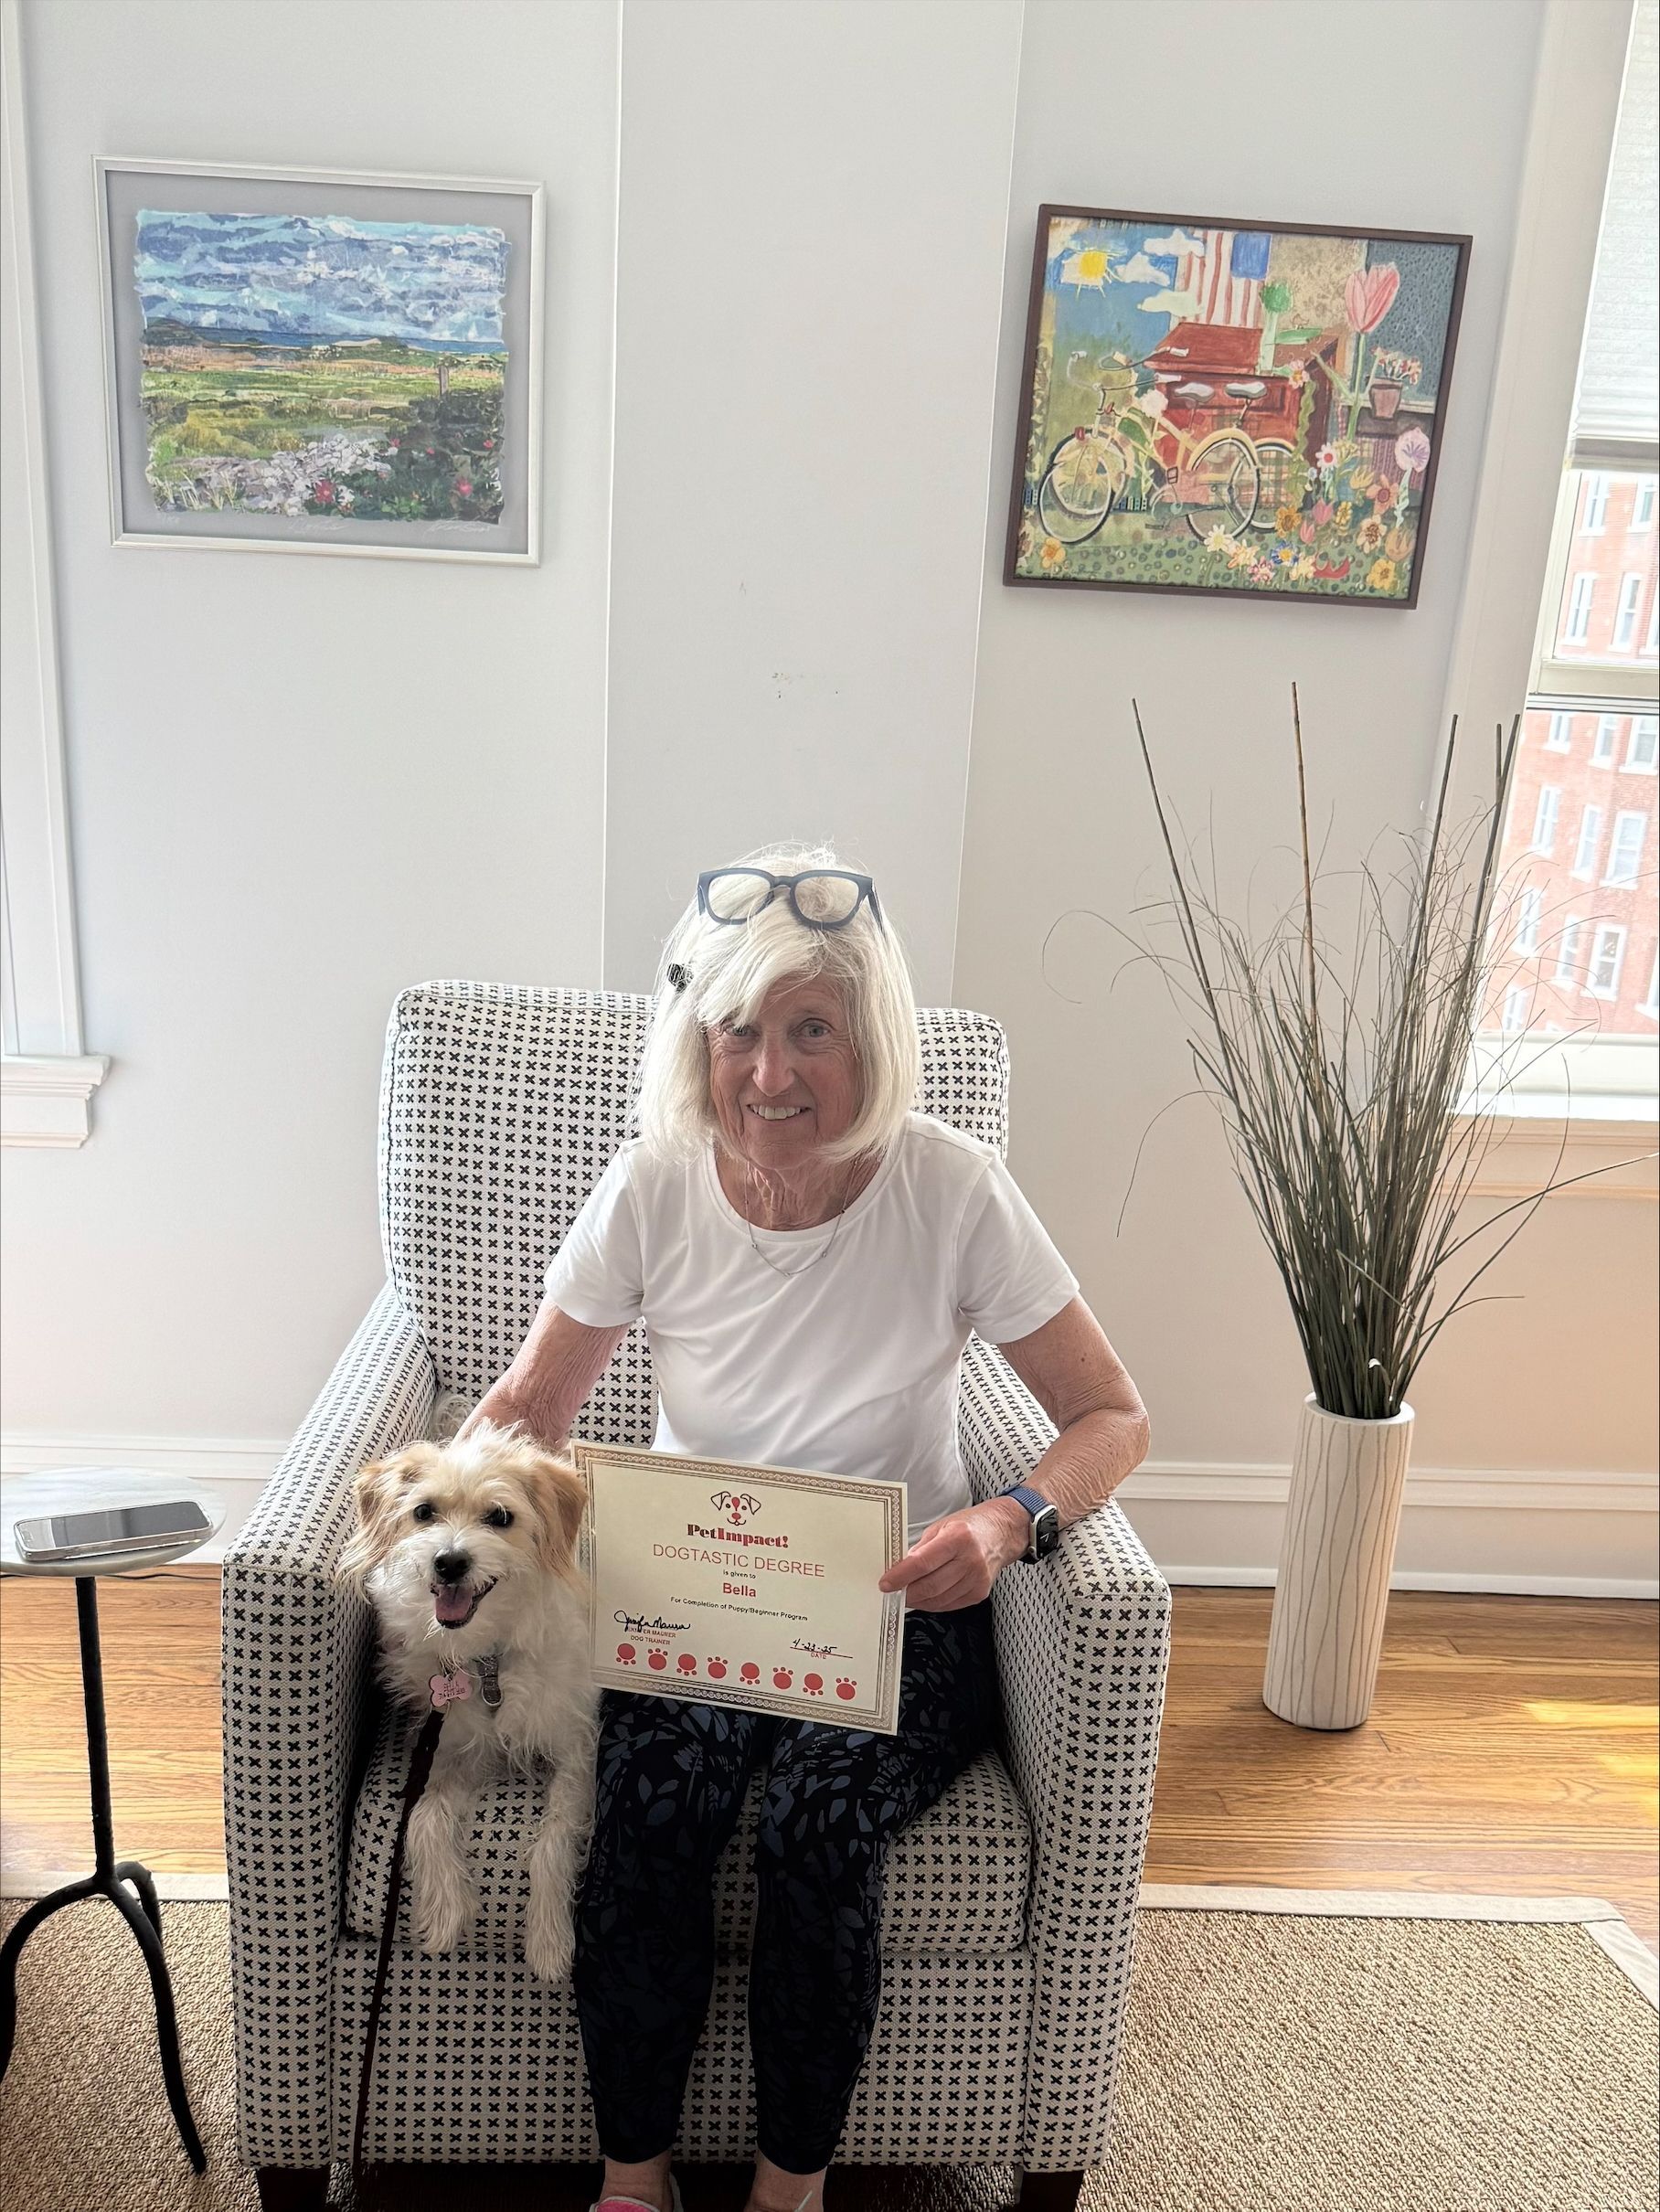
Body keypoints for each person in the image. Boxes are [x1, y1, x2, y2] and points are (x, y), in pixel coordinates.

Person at [466, 845, 1150, 2212]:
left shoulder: (950, 1188)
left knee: (820, 1833)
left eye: (811, 1031)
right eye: (738, 1031)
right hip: (687, 1598)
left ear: (871, 1038)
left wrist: (1010, 1523)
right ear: (698, 1041)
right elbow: (532, 1405)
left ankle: (791, 2193)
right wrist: (449, 1534)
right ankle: (633, 2180)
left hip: (891, 1603)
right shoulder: (655, 1179)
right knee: (649, 1823)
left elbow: (1111, 1417)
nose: (770, 1074)